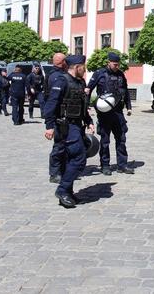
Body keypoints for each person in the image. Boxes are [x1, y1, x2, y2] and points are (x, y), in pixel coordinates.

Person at [43, 55, 95, 208]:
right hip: (65, 125)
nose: (84, 70)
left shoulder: (80, 82)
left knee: (69, 159)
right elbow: (51, 103)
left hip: (77, 124)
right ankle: (63, 189)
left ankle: (68, 192)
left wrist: (89, 121)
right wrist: (49, 126)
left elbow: (82, 105)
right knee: (79, 157)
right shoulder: (62, 80)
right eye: (83, 67)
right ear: (76, 67)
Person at [86, 52, 133, 175]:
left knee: (121, 139)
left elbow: (126, 91)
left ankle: (122, 165)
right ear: (109, 63)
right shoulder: (99, 74)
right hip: (104, 113)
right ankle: (105, 165)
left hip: (118, 112)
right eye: (115, 64)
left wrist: (129, 106)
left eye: (118, 64)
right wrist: (86, 106)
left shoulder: (121, 74)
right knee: (105, 140)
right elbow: (88, 89)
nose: (117, 66)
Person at [45, 53, 67, 183]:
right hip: (58, 115)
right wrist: (49, 125)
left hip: (62, 115)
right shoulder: (57, 77)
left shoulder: (52, 74)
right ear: (63, 62)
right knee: (59, 146)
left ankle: (63, 170)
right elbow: (52, 101)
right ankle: (54, 173)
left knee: (64, 146)